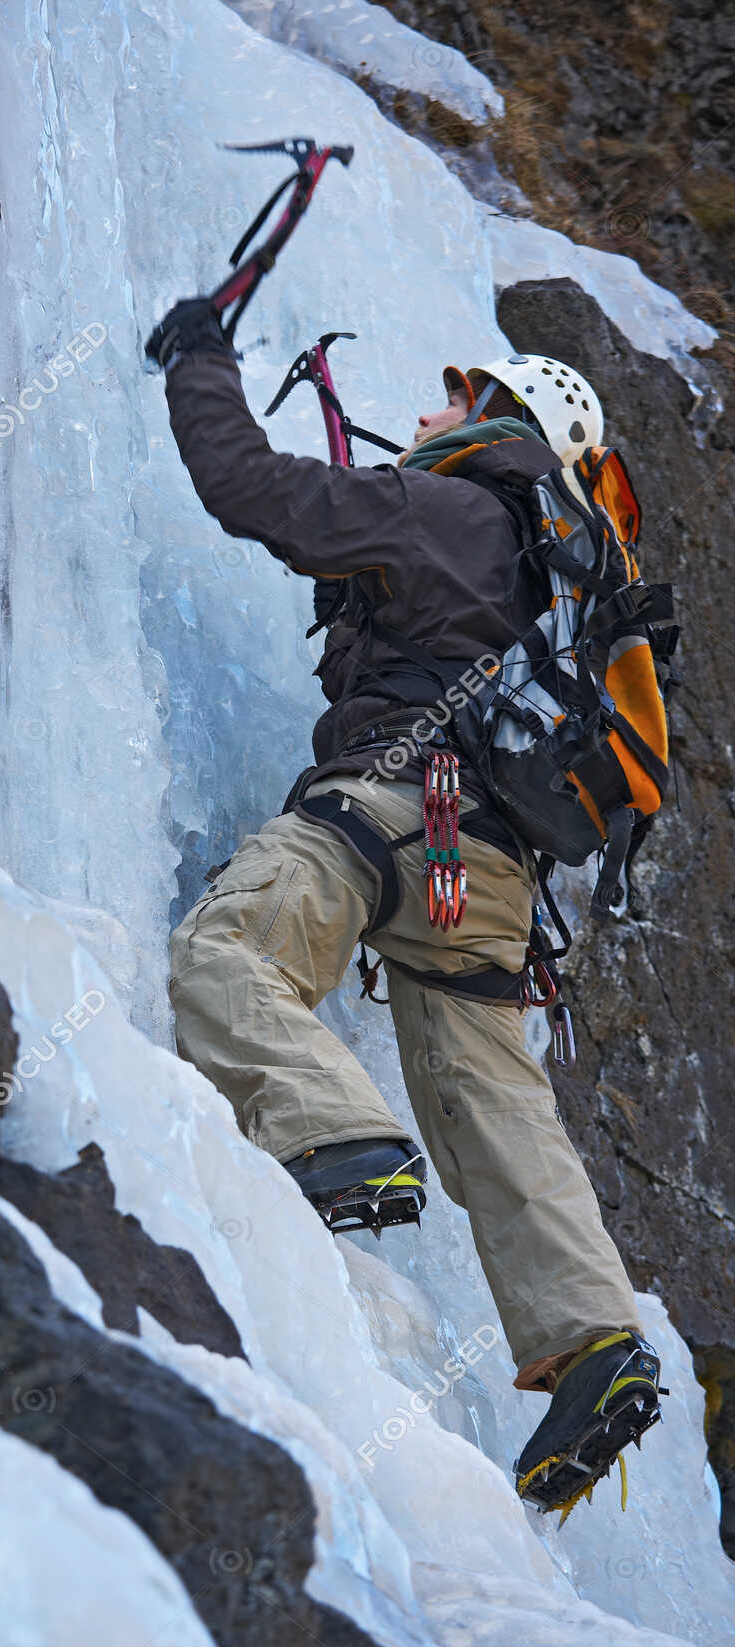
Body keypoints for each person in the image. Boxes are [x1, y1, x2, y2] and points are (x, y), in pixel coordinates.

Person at [144, 296, 665, 1516]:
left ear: (494, 415)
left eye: (452, 395)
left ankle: (338, 1137)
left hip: (391, 812)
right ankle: (596, 1339)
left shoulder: (447, 507)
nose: (428, 412)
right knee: (496, 1103)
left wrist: (198, 358)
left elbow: (250, 488)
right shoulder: (561, 577)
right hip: (490, 886)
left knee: (230, 949)